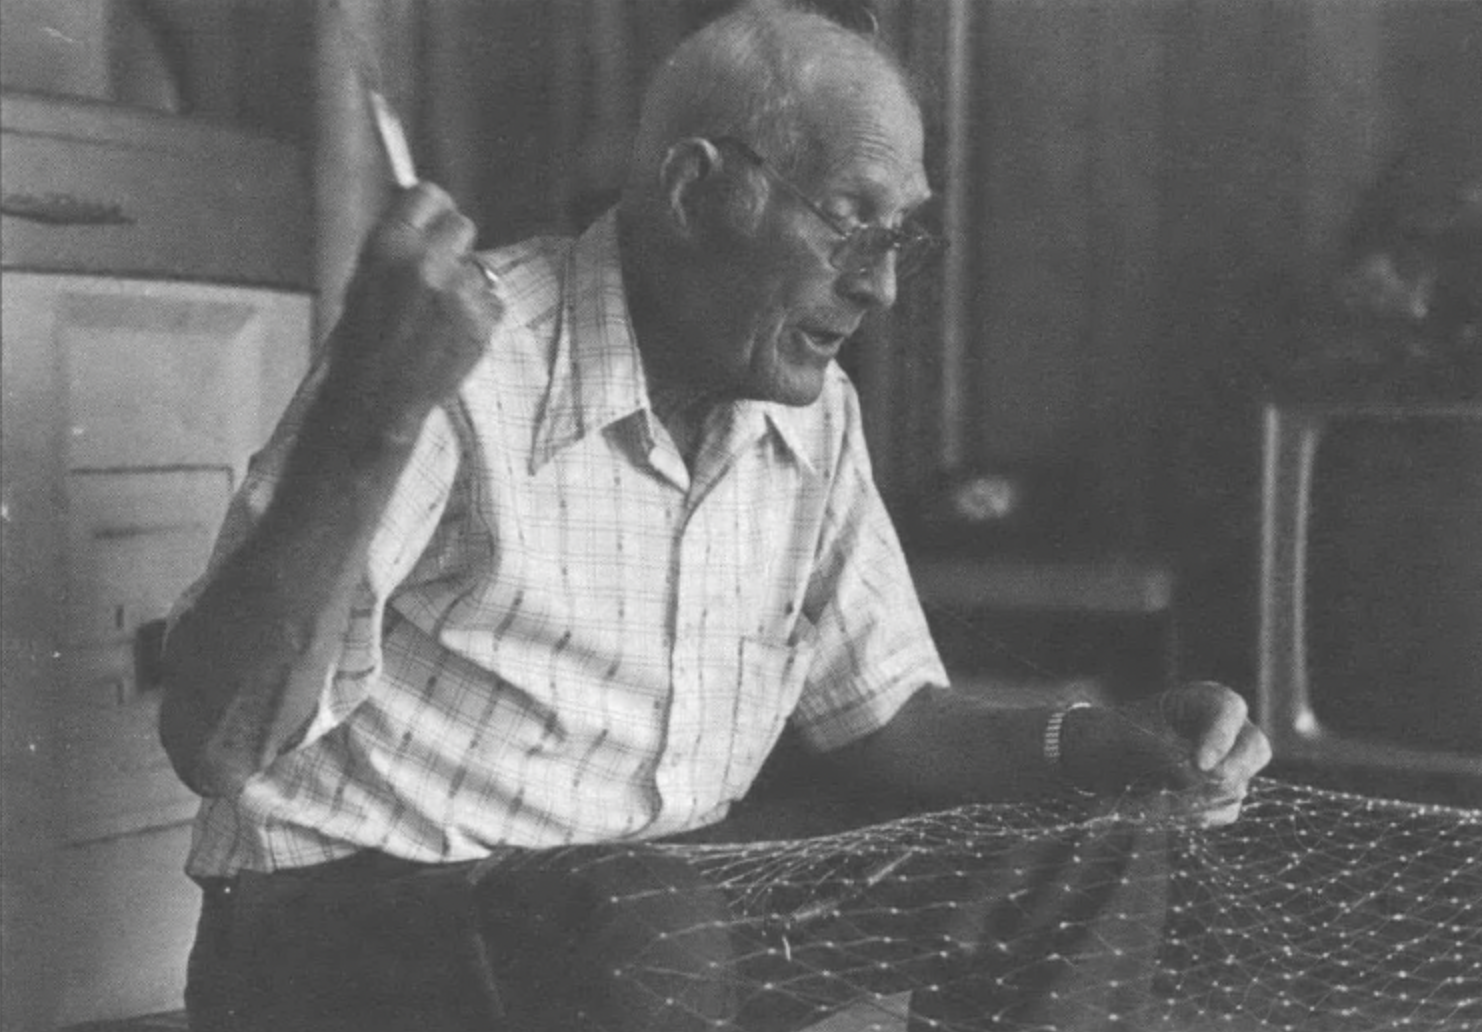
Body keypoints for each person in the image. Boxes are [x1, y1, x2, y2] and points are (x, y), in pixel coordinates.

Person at [160, 4, 1271, 1030]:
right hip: (345, 932)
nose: (881, 287)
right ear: (695, 192)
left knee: (1091, 838)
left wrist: (1092, 742)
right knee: (649, 920)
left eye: (904, 238)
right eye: (850, 224)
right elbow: (211, 739)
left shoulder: (811, 413)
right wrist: (375, 416)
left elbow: (882, 715)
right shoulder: (447, 366)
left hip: (653, 909)